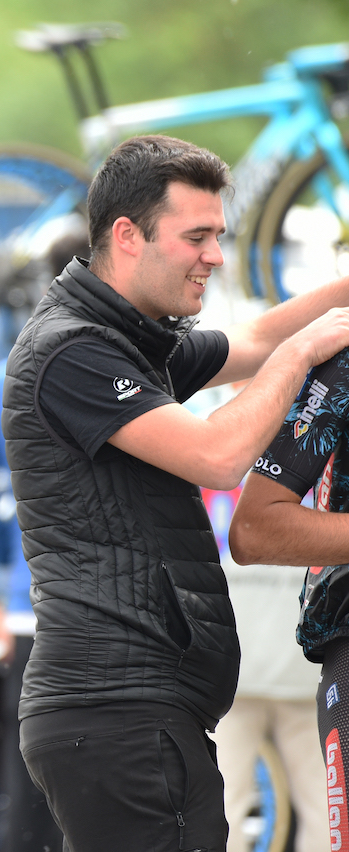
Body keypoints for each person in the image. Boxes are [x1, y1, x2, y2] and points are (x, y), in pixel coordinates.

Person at [2, 133, 349, 852]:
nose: (215, 256)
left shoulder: (128, 341)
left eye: (218, 236)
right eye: (196, 237)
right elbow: (219, 456)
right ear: (127, 235)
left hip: (136, 709)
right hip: (116, 708)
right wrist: (301, 354)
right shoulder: (72, 350)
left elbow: (255, 338)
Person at [0, 232, 88, 852]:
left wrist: (14, 557)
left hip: (31, 606)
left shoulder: (1, 378)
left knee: (29, 782)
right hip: (113, 614)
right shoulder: (131, 366)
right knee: (107, 792)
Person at [227, 347, 349, 852]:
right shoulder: (341, 364)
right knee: (228, 813)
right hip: (244, 665)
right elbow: (252, 529)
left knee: (315, 819)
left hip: (287, 667)